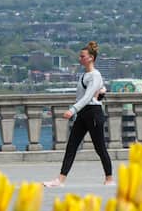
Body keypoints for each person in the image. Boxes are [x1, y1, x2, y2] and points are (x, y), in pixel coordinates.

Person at [44, 41, 114, 188]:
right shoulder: (86, 75)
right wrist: (102, 91)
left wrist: (72, 110)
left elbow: (88, 96)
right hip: (83, 114)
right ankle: (60, 180)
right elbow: (98, 90)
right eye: (80, 56)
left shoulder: (95, 75)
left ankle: (109, 178)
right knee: (72, 146)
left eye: (82, 56)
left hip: (93, 113)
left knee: (100, 148)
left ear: (91, 58)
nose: (80, 58)